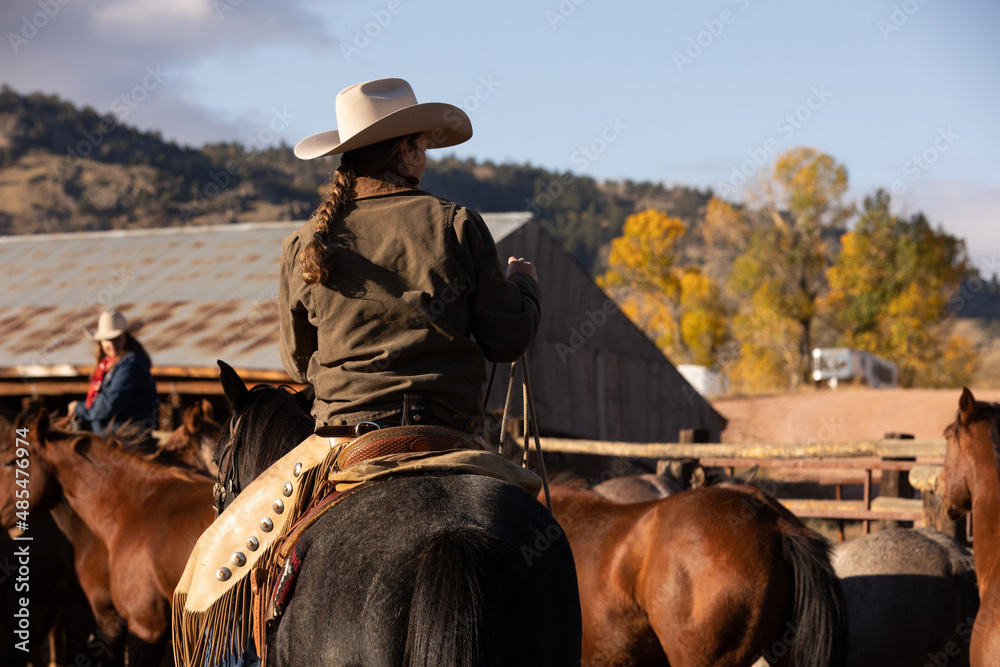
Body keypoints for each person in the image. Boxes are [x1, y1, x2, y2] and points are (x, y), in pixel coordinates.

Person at [280, 77, 541, 434]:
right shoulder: (457, 225)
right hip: (447, 428)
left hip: (342, 434)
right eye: (423, 146)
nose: (425, 159)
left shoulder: (305, 242)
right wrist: (524, 283)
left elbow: (296, 364)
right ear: (406, 151)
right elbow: (506, 339)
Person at [68, 309, 159, 437]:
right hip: (112, 433)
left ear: (125, 337)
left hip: (126, 435)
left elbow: (111, 401)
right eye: (107, 339)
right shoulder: (109, 365)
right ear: (101, 341)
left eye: (116, 338)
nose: (112, 344)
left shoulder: (131, 363)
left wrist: (80, 409)